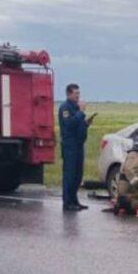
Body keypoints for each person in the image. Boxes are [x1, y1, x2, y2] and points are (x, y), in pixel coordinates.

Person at [58, 83, 94, 212]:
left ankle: (74, 201)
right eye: (75, 93)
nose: (78, 96)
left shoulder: (75, 107)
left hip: (79, 144)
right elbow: (69, 124)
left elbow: (78, 124)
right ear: (69, 94)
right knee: (70, 174)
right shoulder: (65, 108)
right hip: (70, 145)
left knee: (78, 174)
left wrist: (85, 123)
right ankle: (67, 202)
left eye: (79, 93)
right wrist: (81, 112)